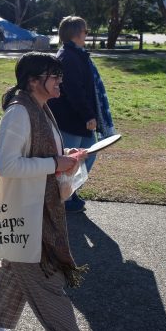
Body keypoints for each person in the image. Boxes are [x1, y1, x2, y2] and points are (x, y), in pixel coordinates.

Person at [0, 52, 88, 331]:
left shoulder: (40, 107)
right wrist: (54, 163)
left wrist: (66, 156)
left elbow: (40, 152)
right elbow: (7, 164)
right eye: (54, 76)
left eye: (60, 75)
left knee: (13, 270)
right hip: (27, 216)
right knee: (47, 281)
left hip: (34, 211)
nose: (61, 81)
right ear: (34, 81)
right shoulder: (19, 112)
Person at [48, 16, 115, 213]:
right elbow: (75, 90)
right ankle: (64, 198)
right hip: (71, 120)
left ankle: (70, 191)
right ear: (77, 33)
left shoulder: (75, 54)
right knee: (72, 159)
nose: (86, 35)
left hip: (78, 119)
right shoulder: (68, 57)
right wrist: (88, 115)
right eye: (85, 31)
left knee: (87, 155)